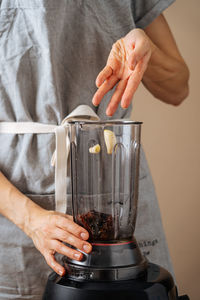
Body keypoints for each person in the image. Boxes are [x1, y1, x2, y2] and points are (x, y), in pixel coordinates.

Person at [0, 0, 189, 299]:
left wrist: (143, 50)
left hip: (120, 203)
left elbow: (179, 87)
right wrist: (30, 220)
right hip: (16, 216)